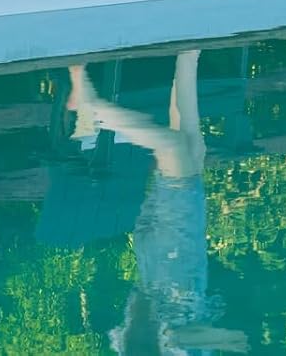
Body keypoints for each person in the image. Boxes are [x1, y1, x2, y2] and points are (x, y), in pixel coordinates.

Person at [66, 49, 248, 352]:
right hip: (167, 250)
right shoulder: (170, 346)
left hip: (171, 244)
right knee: (191, 146)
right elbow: (237, 340)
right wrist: (180, 336)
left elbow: (234, 340)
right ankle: (188, 54)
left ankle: (91, 107)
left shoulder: (164, 347)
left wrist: (175, 337)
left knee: (173, 147)